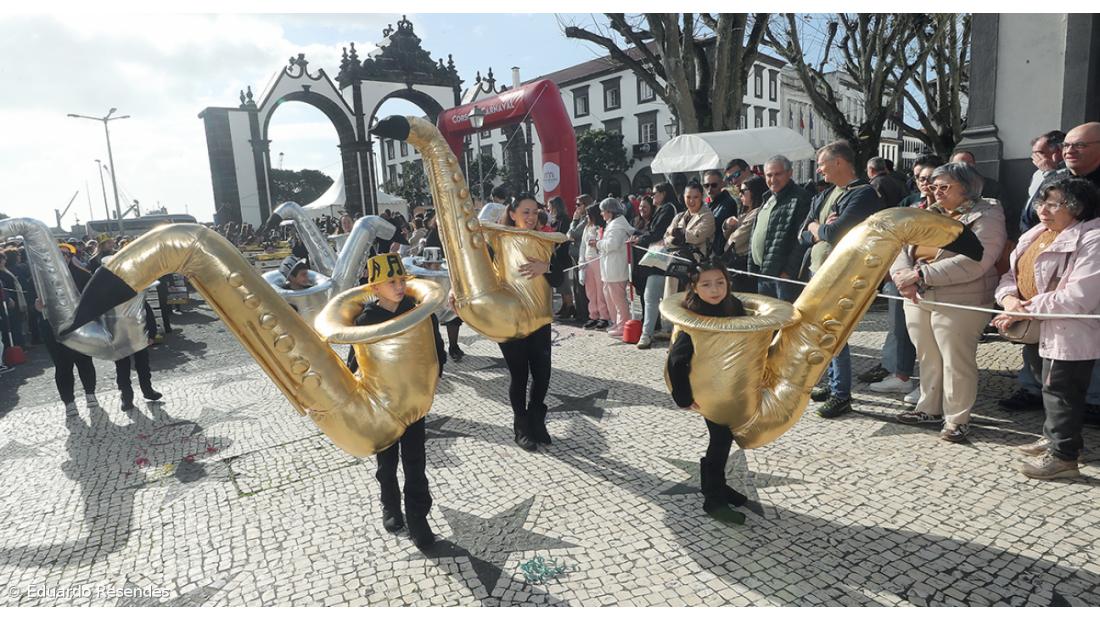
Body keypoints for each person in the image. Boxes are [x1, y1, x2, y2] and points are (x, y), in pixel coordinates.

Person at [891, 162, 1007, 443]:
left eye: (945, 187)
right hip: (918, 295)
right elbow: (901, 247)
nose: (937, 192)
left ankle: (956, 419)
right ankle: (929, 408)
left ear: (967, 188)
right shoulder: (928, 213)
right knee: (927, 354)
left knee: (956, 359)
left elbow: (976, 260)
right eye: (934, 186)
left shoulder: (987, 215)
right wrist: (901, 278)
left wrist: (919, 275)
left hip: (961, 298)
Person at [992, 178, 1100, 479]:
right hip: (1038, 324)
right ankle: (1055, 437)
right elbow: (1010, 276)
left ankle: (1064, 456)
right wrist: (1010, 300)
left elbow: (1081, 296)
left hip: (1070, 330)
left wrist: (1024, 310)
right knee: (1045, 384)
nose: (1044, 210)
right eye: (1042, 202)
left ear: (1078, 209)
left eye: (1055, 204)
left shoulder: (1093, 239)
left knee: (1063, 390)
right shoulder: (1037, 234)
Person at [346, 253, 444, 548]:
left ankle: (418, 518)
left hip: (412, 403)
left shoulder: (420, 311)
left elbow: (437, 349)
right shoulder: (365, 321)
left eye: (402, 279)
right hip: (382, 406)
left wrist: (433, 378)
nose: (400, 286)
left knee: (416, 462)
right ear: (375, 288)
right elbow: (354, 361)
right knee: (386, 463)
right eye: (391, 282)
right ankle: (390, 505)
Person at [801, 141, 885, 419]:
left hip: (842, 275)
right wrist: (818, 228)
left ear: (839, 162)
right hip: (819, 272)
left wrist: (820, 228)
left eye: (823, 163)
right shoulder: (828, 194)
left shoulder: (863, 195)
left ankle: (841, 394)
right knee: (823, 334)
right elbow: (803, 232)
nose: (820, 169)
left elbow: (835, 232)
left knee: (836, 334)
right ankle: (831, 382)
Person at [666, 258, 749, 523]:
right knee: (720, 438)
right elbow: (677, 360)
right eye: (706, 285)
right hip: (706, 389)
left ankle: (716, 486)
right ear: (694, 287)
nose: (714, 290)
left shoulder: (733, 305)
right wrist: (684, 399)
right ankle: (714, 499)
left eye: (720, 283)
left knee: (724, 437)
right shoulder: (694, 316)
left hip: (729, 384)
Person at [497, 194, 569, 451]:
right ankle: (521, 425)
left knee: (542, 373)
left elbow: (560, 278)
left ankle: (537, 417)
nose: (530, 216)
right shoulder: (498, 238)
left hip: (540, 317)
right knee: (519, 374)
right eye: (525, 211)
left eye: (534, 212)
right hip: (509, 316)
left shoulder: (545, 239)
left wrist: (546, 267)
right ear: (513, 213)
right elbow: (479, 270)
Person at [749, 155, 812, 303]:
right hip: (764, 273)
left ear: (790, 173)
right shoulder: (767, 198)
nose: (773, 179)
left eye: (778, 174)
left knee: (785, 322)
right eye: (769, 175)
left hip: (784, 277)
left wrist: (789, 271)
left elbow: (802, 238)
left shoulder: (800, 198)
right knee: (767, 321)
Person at [633, 183, 679, 348]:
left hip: (663, 258)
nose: (652, 197)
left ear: (663, 193)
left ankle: (648, 334)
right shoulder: (663, 209)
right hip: (660, 258)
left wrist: (640, 239)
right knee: (655, 297)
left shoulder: (667, 209)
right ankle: (656, 332)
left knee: (652, 296)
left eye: (654, 194)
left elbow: (657, 232)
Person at [663, 181, 715, 301]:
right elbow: (666, 239)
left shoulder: (707, 216)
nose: (691, 201)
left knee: (690, 304)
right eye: (688, 197)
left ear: (702, 197)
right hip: (675, 266)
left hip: (697, 268)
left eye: (695, 197)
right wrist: (677, 235)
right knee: (672, 301)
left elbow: (697, 236)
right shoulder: (680, 216)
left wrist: (677, 234)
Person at [721, 175, 768, 294]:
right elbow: (727, 235)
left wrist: (733, 230)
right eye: (738, 191)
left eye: (743, 191)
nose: (739, 194)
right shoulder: (744, 212)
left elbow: (735, 239)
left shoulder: (757, 212)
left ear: (755, 192)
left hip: (744, 263)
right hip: (737, 263)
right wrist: (727, 224)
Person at [595, 198, 634, 338]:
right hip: (611, 269)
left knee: (619, 300)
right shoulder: (614, 224)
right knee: (613, 298)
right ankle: (618, 323)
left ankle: (623, 325)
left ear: (610, 212)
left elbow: (613, 244)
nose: (601, 214)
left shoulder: (617, 226)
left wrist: (598, 244)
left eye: (603, 211)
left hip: (615, 269)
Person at [580, 205, 610, 330]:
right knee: (590, 290)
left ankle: (604, 316)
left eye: (589, 215)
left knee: (600, 289)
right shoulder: (587, 227)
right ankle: (593, 315)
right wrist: (581, 261)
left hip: (598, 260)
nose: (587, 217)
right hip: (588, 261)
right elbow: (583, 245)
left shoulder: (601, 227)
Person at [548, 197, 576, 321]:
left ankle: (570, 305)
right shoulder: (555, 220)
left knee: (564, 282)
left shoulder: (564, 220)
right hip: (557, 255)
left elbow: (564, 237)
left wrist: (556, 248)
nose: (548, 208)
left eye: (550, 206)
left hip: (563, 254)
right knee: (560, 283)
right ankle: (565, 304)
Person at [568, 194, 595, 325]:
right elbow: (569, 235)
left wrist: (574, 220)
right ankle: (580, 313)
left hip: (582, 255)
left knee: (582, 286)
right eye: (576, 205)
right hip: (574, 255)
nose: (576, 208)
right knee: (576, 287)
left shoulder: (585, 219)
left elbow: (573, 233)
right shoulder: (581, 219)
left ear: (586, 205)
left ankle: (585, 314)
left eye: (579, 205)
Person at [704, 169, 739, 256]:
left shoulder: (727, 203)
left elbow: (714, 225)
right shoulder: (708, 204)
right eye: (706, 185)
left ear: (722, 184)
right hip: (709, 252)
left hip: (720, 253)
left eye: (714, 185)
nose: (710, 189)